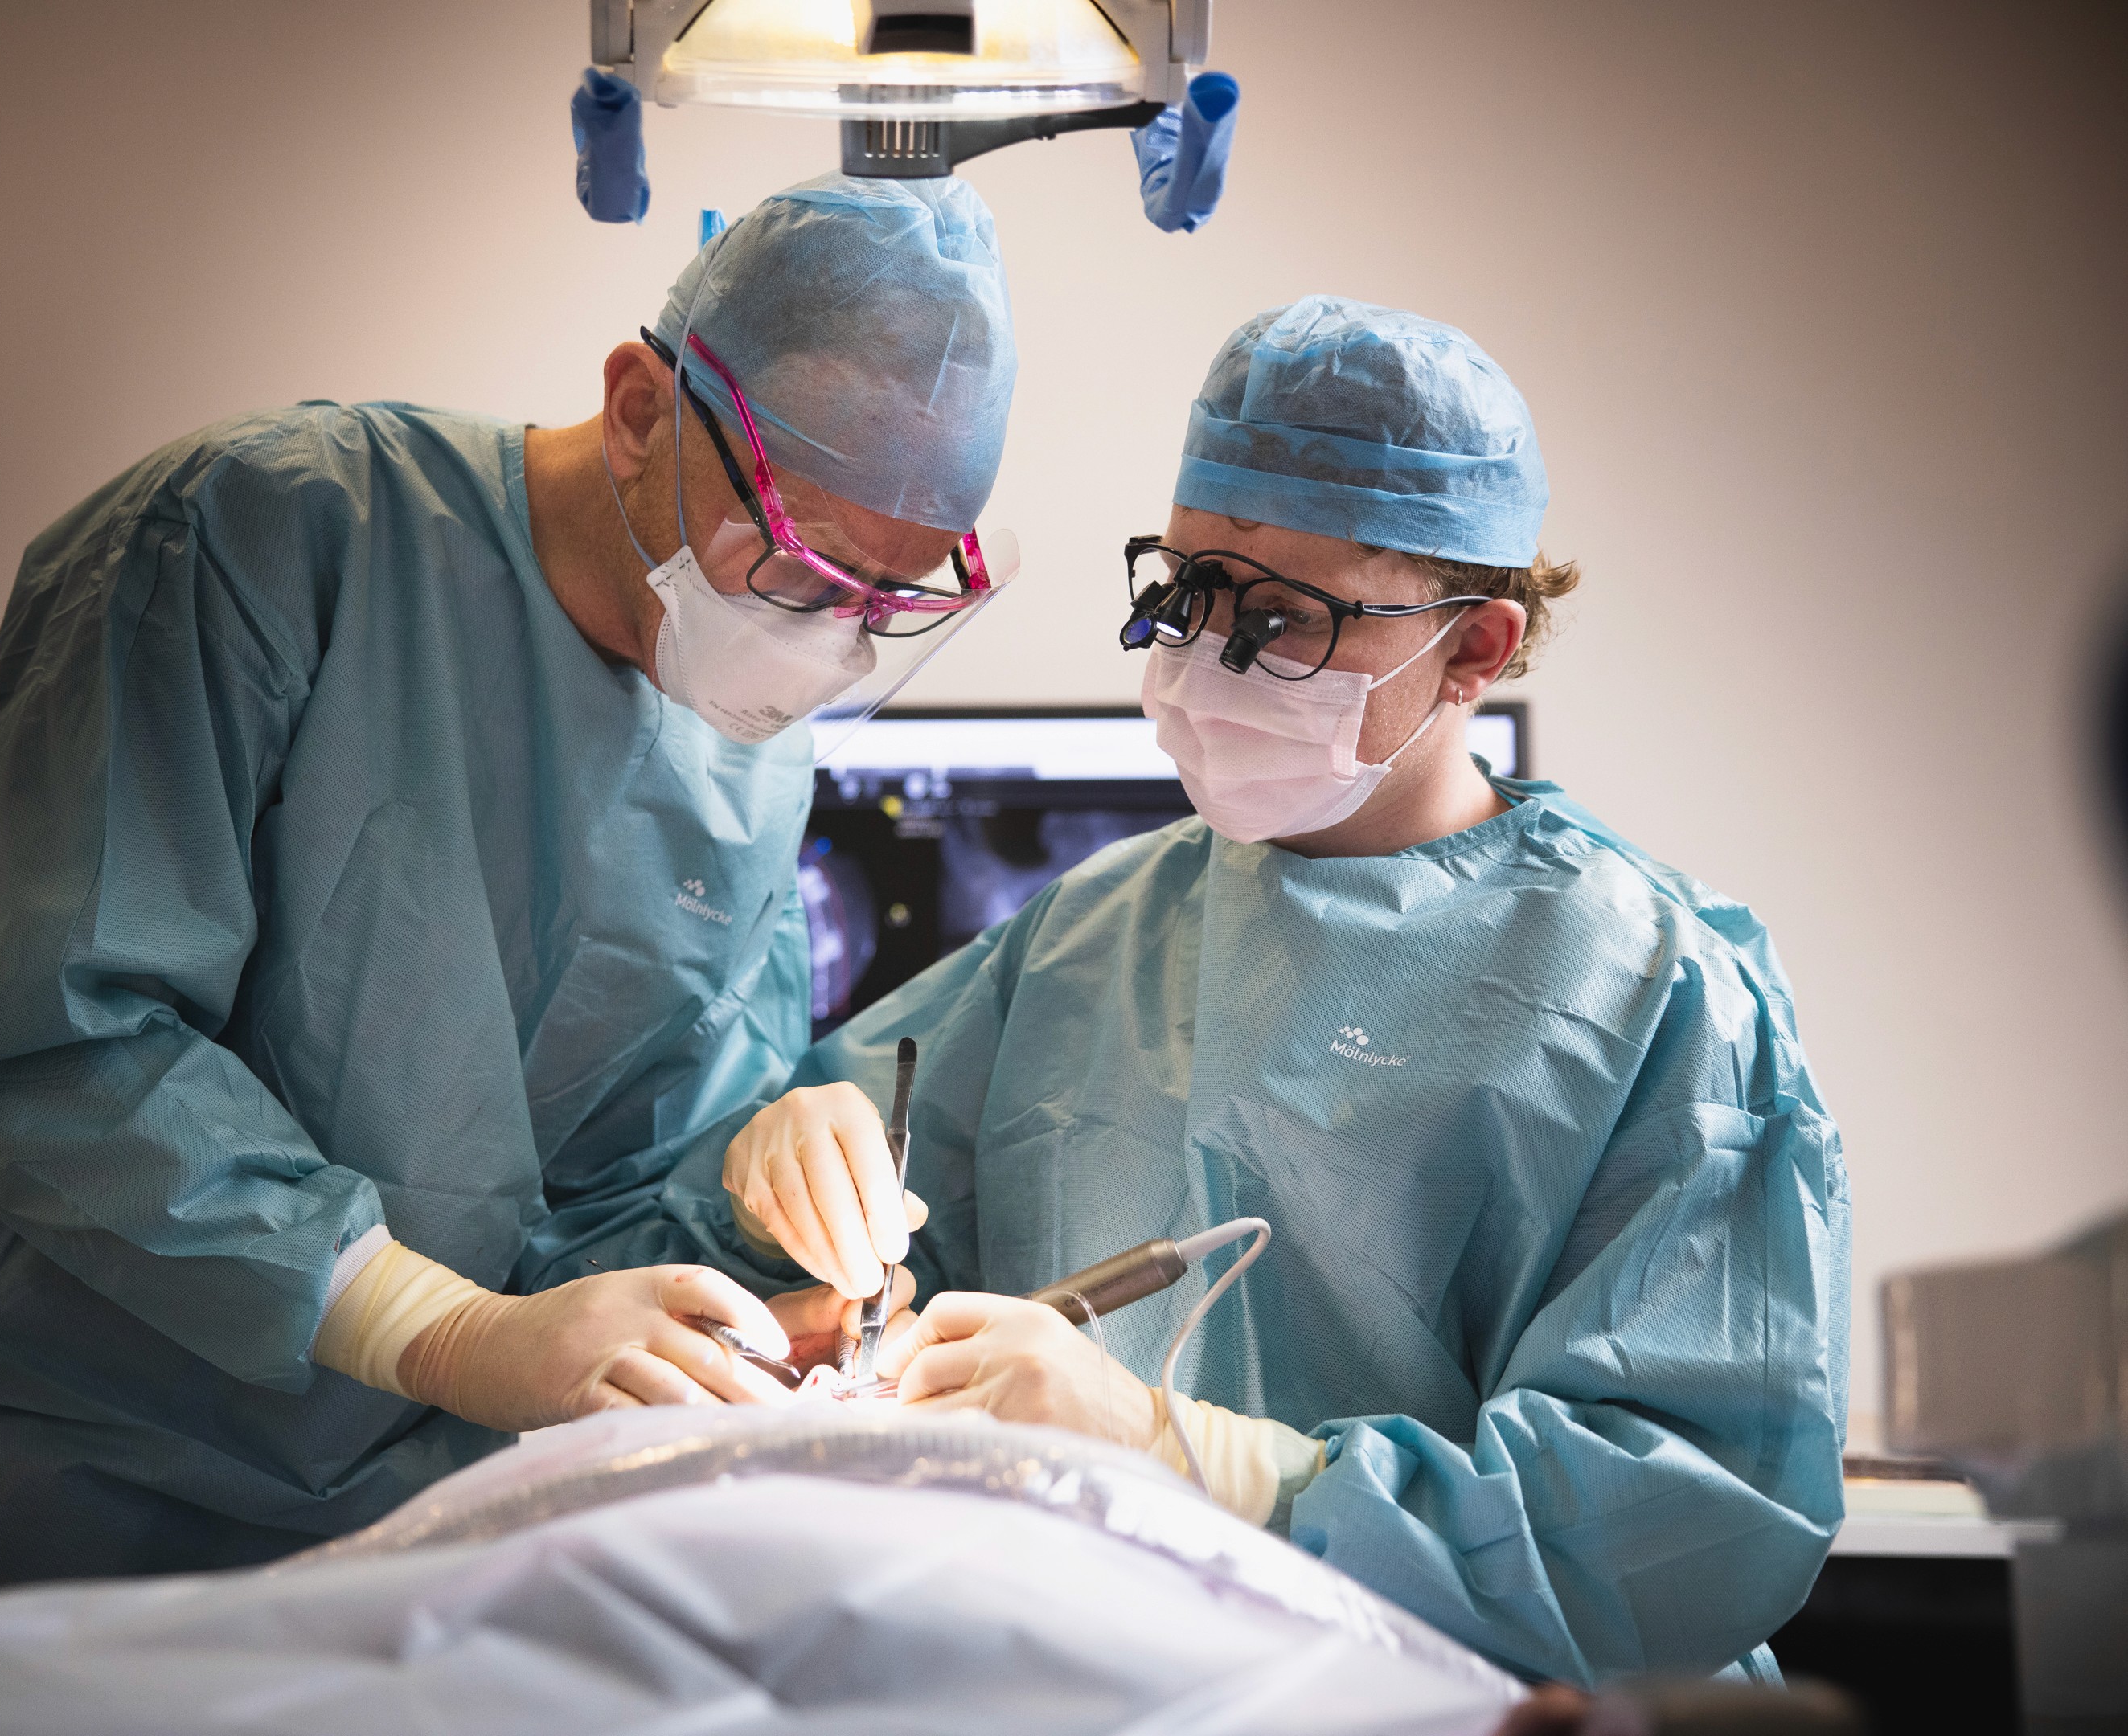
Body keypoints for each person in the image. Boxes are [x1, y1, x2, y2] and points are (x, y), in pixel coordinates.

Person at [0, 173, 1015, 1615]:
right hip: (32, 1500)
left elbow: (578, 1207)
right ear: (643, 408)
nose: (826, 641)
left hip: (395, 1546)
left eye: (888, 606)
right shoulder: (261, 538)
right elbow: (57, 1045)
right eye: (792, 567)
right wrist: (444, 1331)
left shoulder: (737, 742)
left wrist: (740, 1211)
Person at [644, 297, 1850, 1687]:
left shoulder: (1648, 988)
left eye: (1282, 619)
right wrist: (781, 1162)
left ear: (1474, 648)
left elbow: (1680, 1525)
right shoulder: (1096, 926)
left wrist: (1201, 1461)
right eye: (1189, 594)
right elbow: (804, 1240)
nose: (1205, 660)